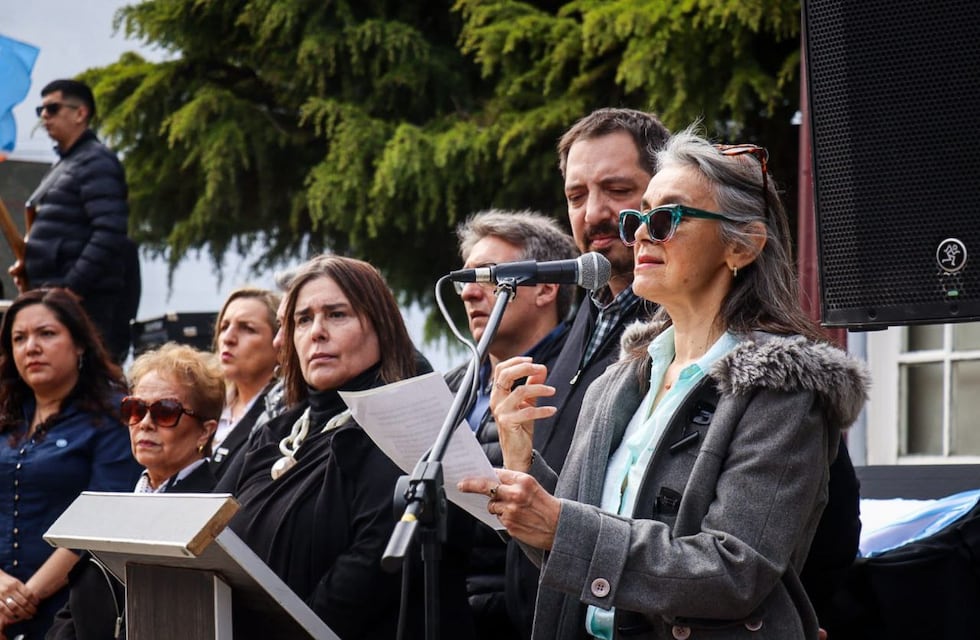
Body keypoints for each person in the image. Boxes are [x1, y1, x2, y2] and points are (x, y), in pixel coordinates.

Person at [460, 128, 870, 639]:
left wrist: (560, 524)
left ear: (742, 246)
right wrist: (522, 466)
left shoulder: (781, 385)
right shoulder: (620, 379)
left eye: (666, 218)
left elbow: (734, 572)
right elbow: (576, 548)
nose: (639, 234)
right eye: (639, 218)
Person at [218, 255, 473, 639]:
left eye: (336, 315)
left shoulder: (411, 427)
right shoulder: (274, 432)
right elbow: (204, 528)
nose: (316, 332)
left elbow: (367, 574)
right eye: (303, 320)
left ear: (382, 327)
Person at [444, 209, 578, 639]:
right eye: (465, 280)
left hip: (528, 616)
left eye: (488, 276)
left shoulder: (578, 381)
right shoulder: (451, 387)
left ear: (545, 287)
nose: (468, 293)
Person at [46, 342, 224, 640]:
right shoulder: (119, 502)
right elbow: (76, 608)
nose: (145, 423)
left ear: (205, 431)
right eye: (135, 409)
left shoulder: (213, 510)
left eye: (165, 412)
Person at [0, 288, 141, 640]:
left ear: (79, 344)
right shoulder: (6, 415)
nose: (31, 346)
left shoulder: (112, 415)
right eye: (19, 338)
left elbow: (100, 523)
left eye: (46, 334)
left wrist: (23, 598)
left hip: (65, 610)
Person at [8, 79, 140, 363]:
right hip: (59, 302)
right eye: (40, 110)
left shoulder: (96, 162)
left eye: (52, 108)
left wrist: (72, 289)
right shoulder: (68, 164)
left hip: (83, 306)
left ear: (80, 113)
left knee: (85, 385)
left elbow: (109, 231)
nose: (44, 116)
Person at [209, 287, 280, 481]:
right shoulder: (206, 404)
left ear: (280, 342)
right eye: (224, 327)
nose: (228, 338)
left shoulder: (282, 416)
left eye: (247, 328)